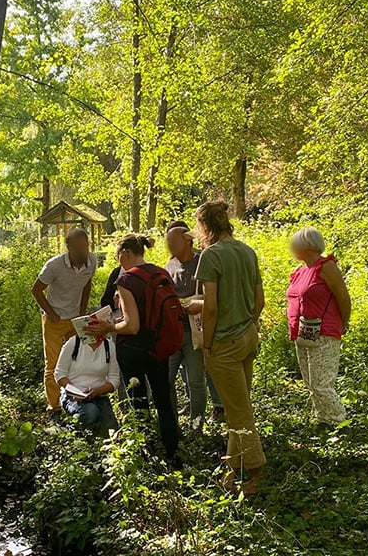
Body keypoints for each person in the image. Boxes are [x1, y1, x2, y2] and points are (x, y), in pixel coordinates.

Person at [186, 201, 265, 494]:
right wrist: (248, 325)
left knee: (239, 411)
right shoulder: (247, 251)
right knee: (237, 406)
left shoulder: (211, 255)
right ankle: (233, 470)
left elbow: (211, 307)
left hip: (225, 343)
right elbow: (259, 301)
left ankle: (254, 474)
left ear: (205, 226)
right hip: (247, 337)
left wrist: (208, 345)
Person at [88, 235, 181, 466]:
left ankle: (146, 455)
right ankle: (173, 452)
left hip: (133, 350)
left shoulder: (127, 280)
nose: (118, 261)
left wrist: (108, 327)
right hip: (159, 347)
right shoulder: (160, 272)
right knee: (163, 401)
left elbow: (132, 326)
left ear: (126, 253)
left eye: (118, 256)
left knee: (138, 402)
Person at [286, 227, 350, 430]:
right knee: (311, 383)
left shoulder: (326, 266)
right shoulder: (301, 271)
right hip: (303, 332)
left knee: (321, 384)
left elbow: (343, 297)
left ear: (307, 245)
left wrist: (343, 323)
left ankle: (341, 423)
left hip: (324, 331)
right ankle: (323, 421)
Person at [32, 228, 97, 420]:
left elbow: (87, 284)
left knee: (77, 360)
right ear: (68, 248)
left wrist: (82, 310)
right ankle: (54, 408)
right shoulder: (54, 266)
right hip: (55, 320)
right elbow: (36, 290)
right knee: (53, 364)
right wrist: (51, 314)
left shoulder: (92, 261)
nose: (82, 251)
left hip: (75, 319)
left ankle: (75, 399)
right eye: (78, 248)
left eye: (85, 246)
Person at [165, 221, 225, 425]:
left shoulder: (203, 260)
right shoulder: (169, 266)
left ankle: (197, 424)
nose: (170, 245)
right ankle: (171, 423)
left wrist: (199, 304)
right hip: (174, 330)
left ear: (187, 240)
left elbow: (218, 295)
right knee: (167, 378)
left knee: (196, 380)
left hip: (196, 330)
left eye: (173, 240)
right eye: (168, 241)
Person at [54, 334, 120, 436]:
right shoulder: (73, 342)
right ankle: (70, 431)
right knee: (90, 412)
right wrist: (75, 392)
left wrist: (97, 391)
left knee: (111, 430)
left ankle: (91, 432)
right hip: (73, 397)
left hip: (99, 396)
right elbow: (59, 374)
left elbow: (114, 380)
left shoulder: (109, 346)